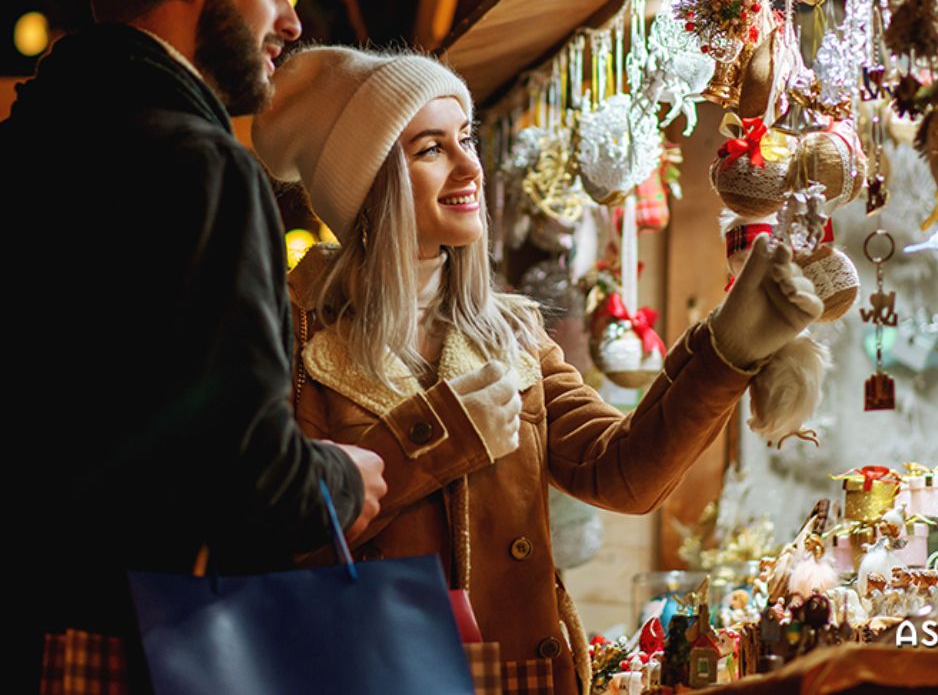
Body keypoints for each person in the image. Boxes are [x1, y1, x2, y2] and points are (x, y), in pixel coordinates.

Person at [252, 46, 825, 693]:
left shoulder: (511, 332)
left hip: (523, 677)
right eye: (431, 149)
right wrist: (440, 433)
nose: (470, 165)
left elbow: (623, 473)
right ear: (368, 183)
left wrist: (728, 350)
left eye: (466, 139)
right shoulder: (291, 339)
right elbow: (282, 541)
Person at [1, 0, 386, 692]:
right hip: (140, 648)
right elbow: (244, 469)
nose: (290, 18)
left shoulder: (25, 146)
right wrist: (339, 481)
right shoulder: (200, 164)